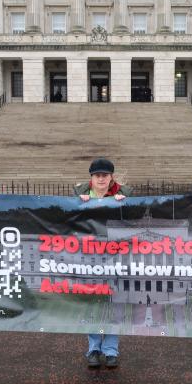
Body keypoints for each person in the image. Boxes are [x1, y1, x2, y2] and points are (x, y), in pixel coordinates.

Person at [74, 158, 132, 368]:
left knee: (114, 304)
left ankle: (110, 350)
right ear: (91, 177)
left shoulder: (124, 196)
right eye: (97, 175)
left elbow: (132, 223)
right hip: (89, 257)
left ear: (111, 177)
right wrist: (76, 204)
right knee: (93, 303)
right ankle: (93, 347)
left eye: (104, 175)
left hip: (116, 257)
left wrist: (125, 204)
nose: (101, 179)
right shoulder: (79, 196)